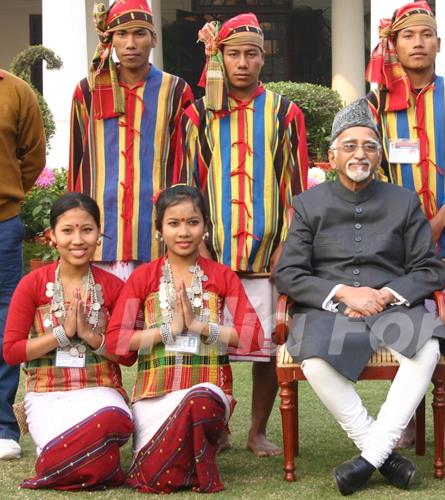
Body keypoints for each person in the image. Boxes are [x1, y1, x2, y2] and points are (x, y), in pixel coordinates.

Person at [275, 99, 445, 496]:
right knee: (313, 357)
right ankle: (382, 454)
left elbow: (430, 268)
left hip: (393, 307)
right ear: (333, 156)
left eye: (370, 146)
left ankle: (367, 458)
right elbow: (288, 273)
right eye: (351, 145)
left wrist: (388, 294)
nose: (361, 153)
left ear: (380, 155)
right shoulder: (308, 204)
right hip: (331, 310)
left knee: (427, 347)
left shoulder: (404, 202)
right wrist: (344, 293)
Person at [177, 12, 308, 457]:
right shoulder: (198, 113)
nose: (243, 63)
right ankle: (218, 429)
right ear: (219, 56)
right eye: (233, 54)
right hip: (213, 252)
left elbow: (295, 186)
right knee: (210, 345)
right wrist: (197, 244)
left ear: (263, 56)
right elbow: (189, 184)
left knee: (268, 348)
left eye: (252, 53)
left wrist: (287, 248)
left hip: (267, 256)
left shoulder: (284, 112)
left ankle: (257, 430)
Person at [365, 0, 445, 449]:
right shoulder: (376, 102)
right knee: (408, 327)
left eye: (426, 35)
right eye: (408, 36)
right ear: (393, 45)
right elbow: (371, 168)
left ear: (439, 43)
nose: (418, 44)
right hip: (396, 243)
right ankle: (412, 422)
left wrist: (437, 220)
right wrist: (409, 226)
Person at [105, 185, 261, 493]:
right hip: (155, 397)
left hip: (207, 393)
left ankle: (191, 455)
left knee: (198, 402)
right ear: (159, 229)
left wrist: (199, 326)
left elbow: (252, 337)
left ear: (205, 226)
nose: (184, 231)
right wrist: (169, 330)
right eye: (173, 223)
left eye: (193, 222)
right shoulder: (143, 277)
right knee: (156, 474)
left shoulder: (222, 276)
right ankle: (189, 458)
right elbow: (116, 343)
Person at [3, 193, 133, 490]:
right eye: (67, 230)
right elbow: (11, 352)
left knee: (117, 419)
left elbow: (127, 356)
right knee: (97, 456)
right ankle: (76, 457)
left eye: (87, 229)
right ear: (52, 236)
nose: (78, 239)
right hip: (48, 396)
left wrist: (89, 335)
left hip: (100, 393)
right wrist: (61, 334)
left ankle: (60, 459)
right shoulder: (32, 284)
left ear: (99, 234)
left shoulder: (113, 287)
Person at [68, 0, 193, 281]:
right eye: (121, 35)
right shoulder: (88, 90)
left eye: (139, 33)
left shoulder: (175, 91)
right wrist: (72, 219)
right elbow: (77, 158)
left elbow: (184, 161)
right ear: (110, 40)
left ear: (154, 38)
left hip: (155, 230)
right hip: (99, 229)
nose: (130, 43)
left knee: (153, 318)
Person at [0, 68, 46, 460]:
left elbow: (34, 154)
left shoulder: (15, 90)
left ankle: (2, 427)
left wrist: (9, 192)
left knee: (5, 320)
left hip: (2, 223)